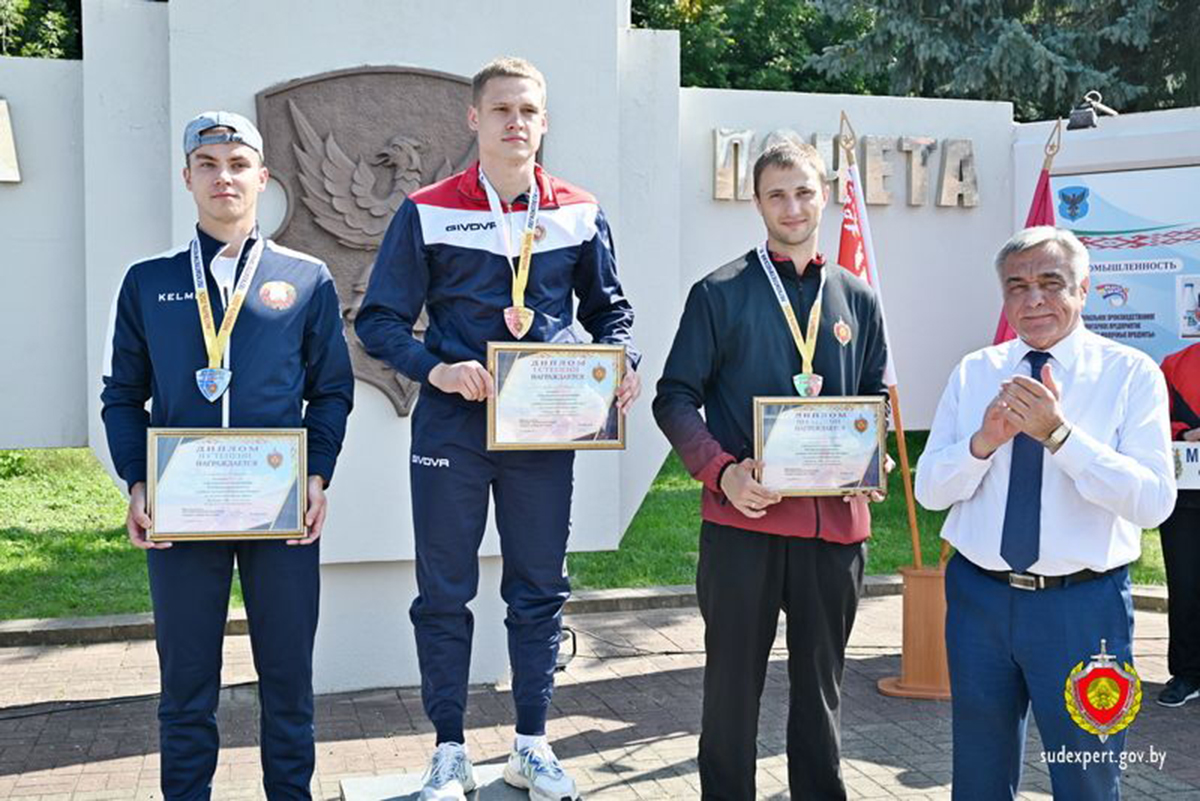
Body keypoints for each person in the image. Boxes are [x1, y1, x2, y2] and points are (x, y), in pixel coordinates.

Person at [355, 56, 640, 801]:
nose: (516, 122)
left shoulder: (578, 209)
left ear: (544, 123)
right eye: (502, 109)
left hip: (542, 429)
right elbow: (379, 320)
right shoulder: (427, 209)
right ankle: (448, 751)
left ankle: (531, 745)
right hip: (451, 427)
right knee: (443, 592)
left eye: (529, 111)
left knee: (539, 587)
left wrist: (620, 363)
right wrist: (436, 370)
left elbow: (610, 312)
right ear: (473, 119)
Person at [100, 110, 354, 800]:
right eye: (208, 165)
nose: (224, 178)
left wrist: (317, 475)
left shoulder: (306, 278)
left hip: (280, 513)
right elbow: (122, 395)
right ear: (186, 177)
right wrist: (138, 482)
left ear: (262, 178)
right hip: (182, 514)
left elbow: (331, 391)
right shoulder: (147, 282)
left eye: (238, 165)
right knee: (186, 687)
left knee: (288, 683)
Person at [653, 139, 889, 800]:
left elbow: (871, 395)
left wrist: (873, 453)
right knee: (731, 692)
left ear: (825, 197)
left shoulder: (858, 298)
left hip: (833, 531)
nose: (793, 207)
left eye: (804, 192)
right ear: (757, 203)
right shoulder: (719, 292)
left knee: (821, 692)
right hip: (744, 524)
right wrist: (722, 471)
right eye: (777, 195)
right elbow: (674, 398)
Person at [915, 226, 1176, 799]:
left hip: (1082, 610)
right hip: (979, 601)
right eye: (1017, 286)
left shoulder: (1130, 373)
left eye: (1051, 283)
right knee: (978, 776)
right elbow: (929, 491)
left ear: (1084, 289)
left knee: (1086, 775)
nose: (1033, 299)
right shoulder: (975, 371)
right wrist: (983, 442)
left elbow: (1154, 501)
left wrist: (1059, 435)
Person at [1158, 342, 1200, 707]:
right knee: (1185, 585)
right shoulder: (1173, 365)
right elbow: (1153, 421)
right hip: (1186, 496)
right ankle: (1187, 674)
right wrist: (1185, 434)